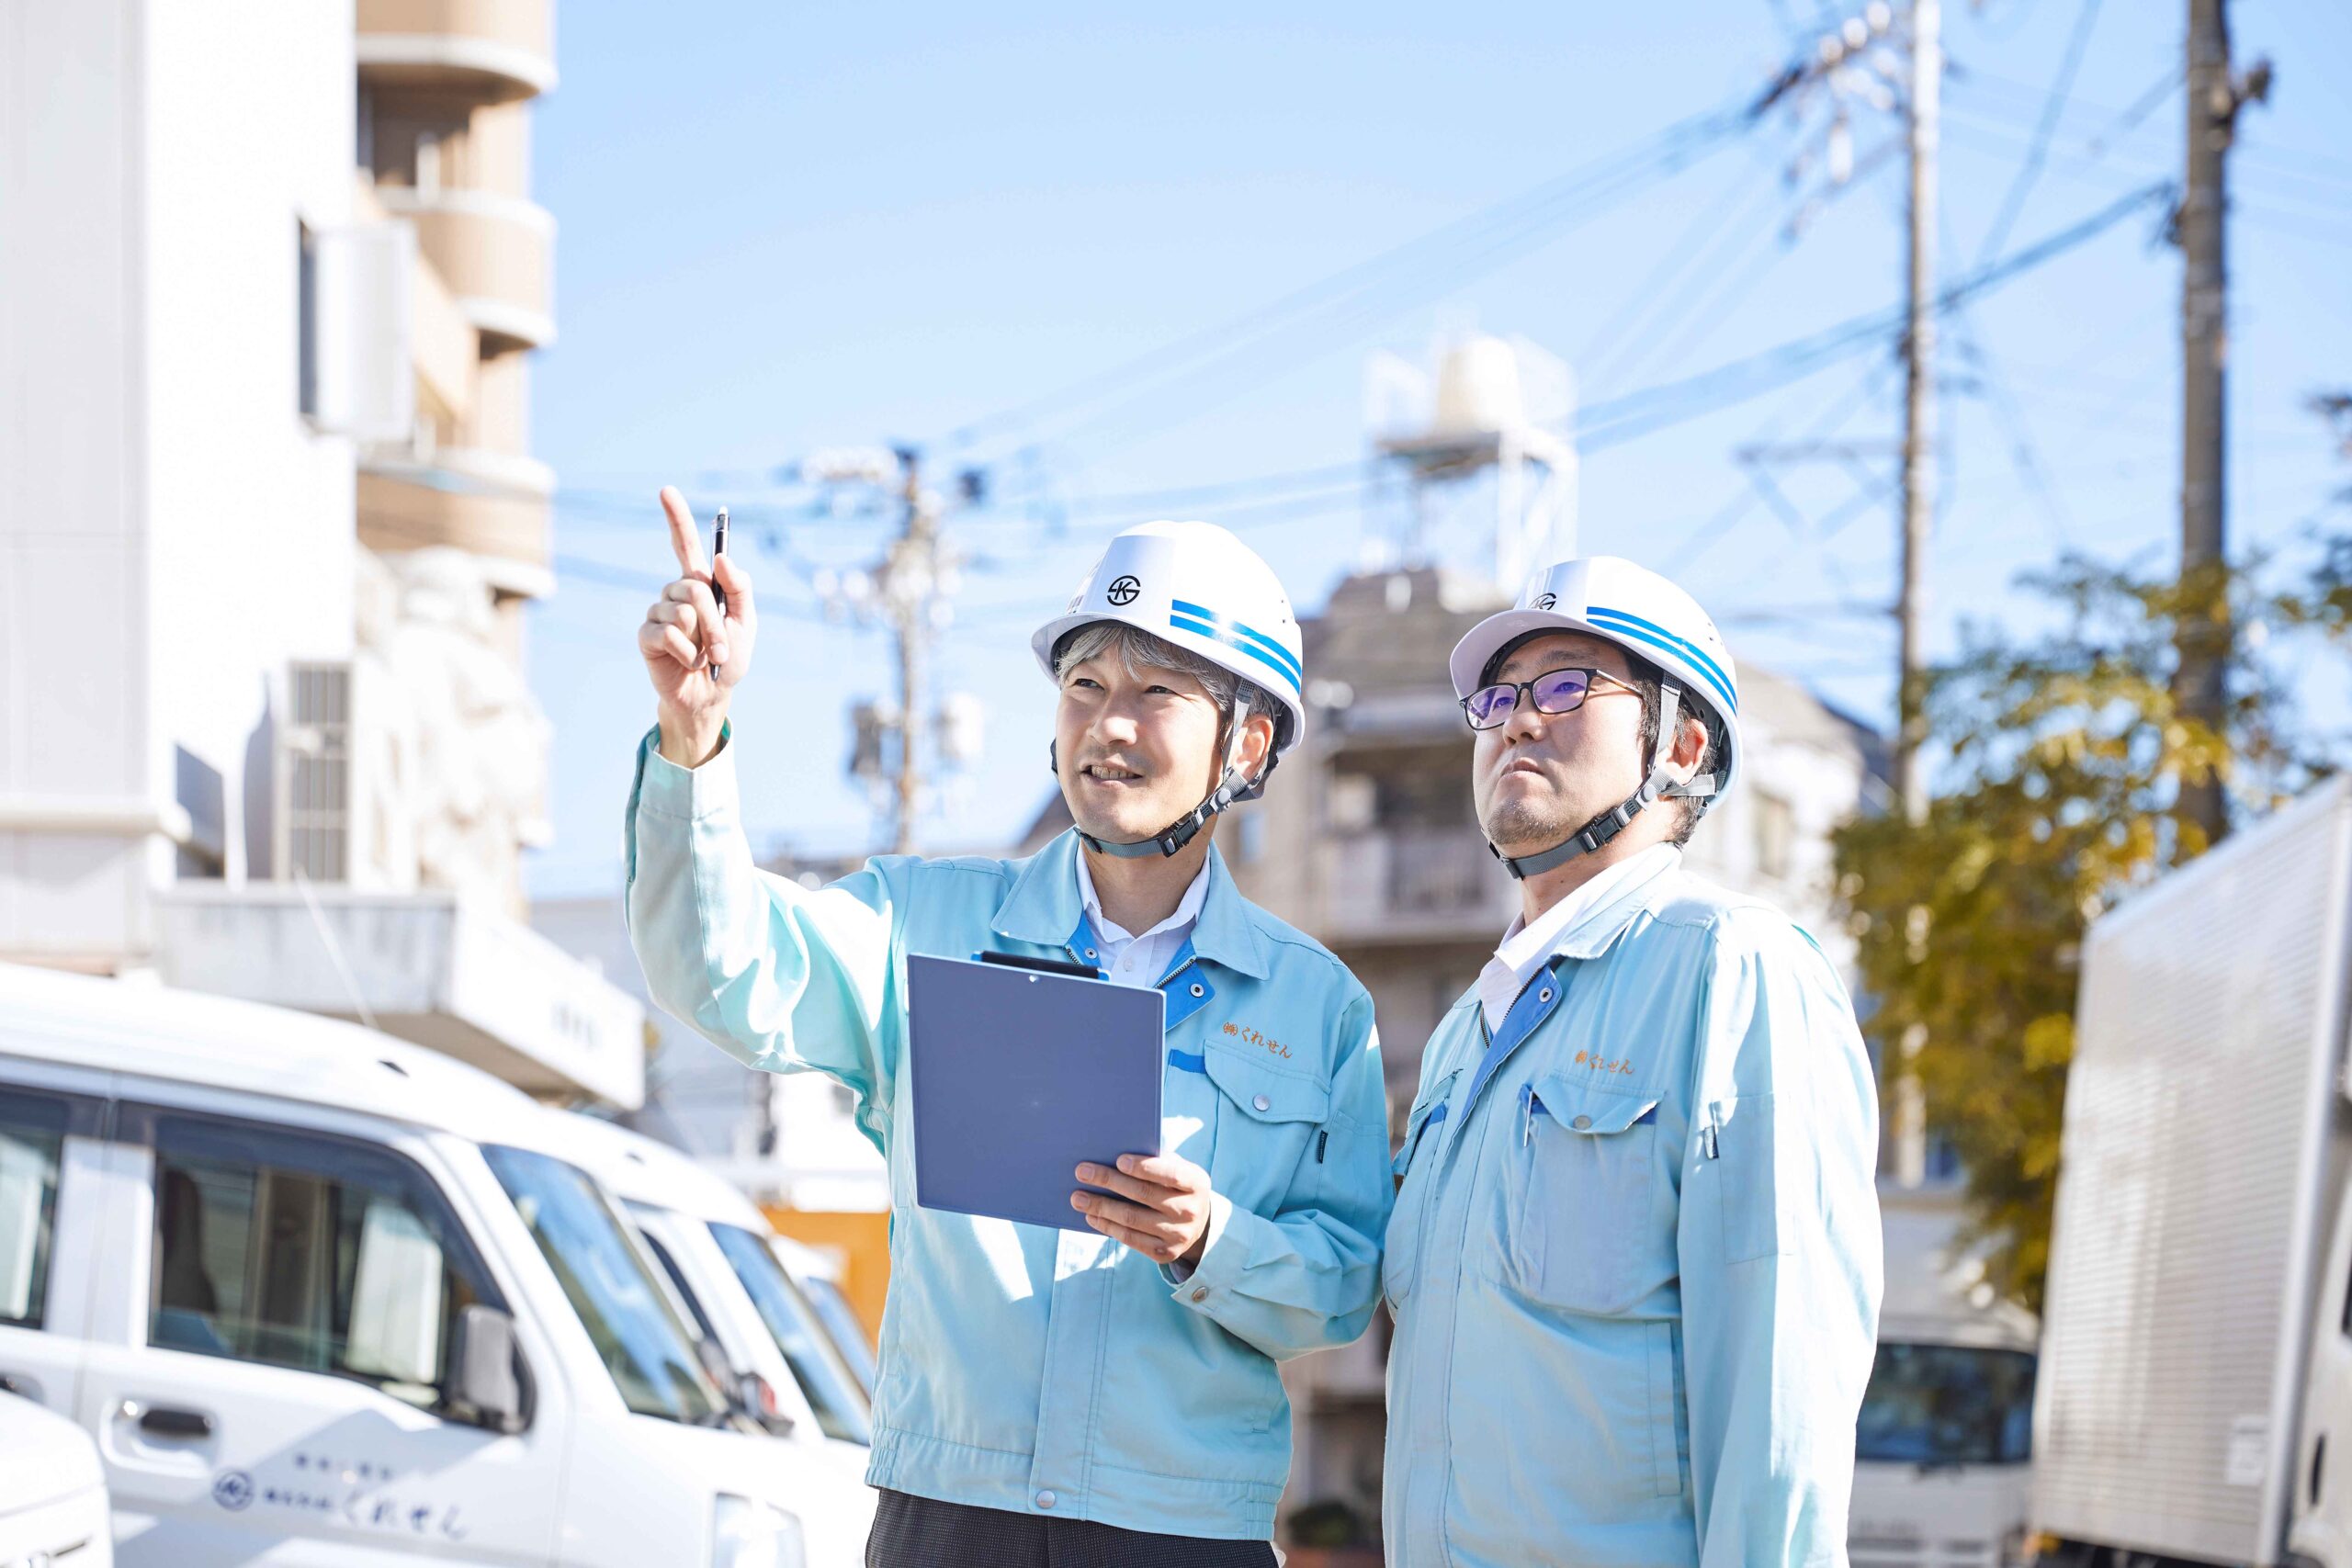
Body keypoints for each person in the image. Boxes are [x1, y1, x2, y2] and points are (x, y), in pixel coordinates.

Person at [627, 490, 1391, 1565]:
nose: (1109, 724)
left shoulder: (1319, 1007)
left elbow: (1344, 1288)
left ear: (1247, 743)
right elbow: (716, 967)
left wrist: (1210, 1241)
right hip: (948, 1519)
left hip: (1180, 1536)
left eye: (1156, 693)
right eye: (1085, 685)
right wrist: (692, 734)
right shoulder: (920, 924)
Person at [1381, 555, 1883, 1567]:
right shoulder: (1461, 1035)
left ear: (1682, 744)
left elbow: (1781, 1393)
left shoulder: (1731, 969)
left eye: (1567, 685)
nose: (1519, 720)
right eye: (1499, 697)